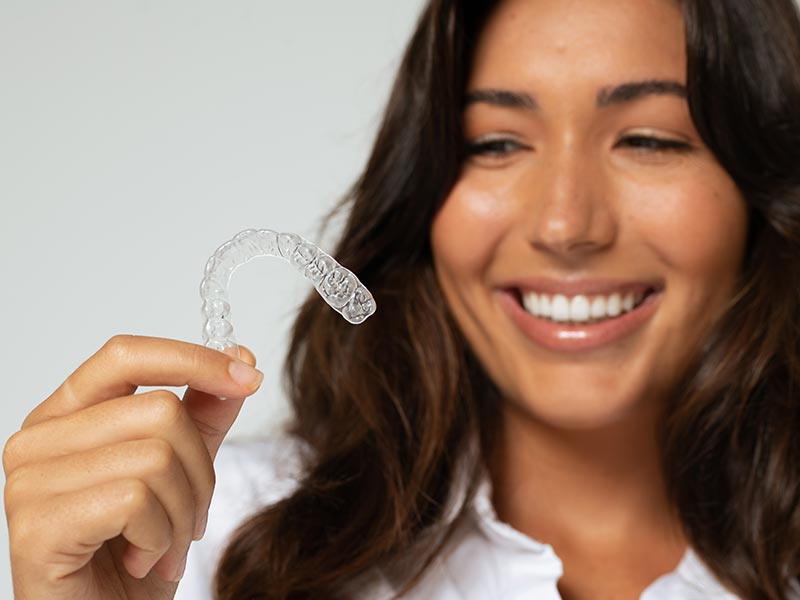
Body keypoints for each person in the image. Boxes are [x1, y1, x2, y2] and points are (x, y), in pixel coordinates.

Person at [6, 0, 800, 598]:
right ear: (422, 193)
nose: (565, 224)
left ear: (762, 189)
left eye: (650, 139)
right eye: (494, 144)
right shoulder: (203, 539)